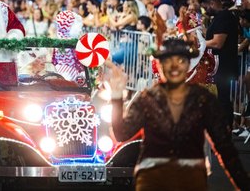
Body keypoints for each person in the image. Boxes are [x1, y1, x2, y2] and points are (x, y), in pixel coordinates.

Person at [106, 38, 250, 191]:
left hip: (190, 179)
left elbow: (225, 148)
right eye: (168, 61)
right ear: (160, 65)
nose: (174, 66)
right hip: (152, 179)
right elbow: (122, 133)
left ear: (188, 64)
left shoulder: (202, 99)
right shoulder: (147, 99)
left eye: (180, 60)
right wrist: (116, 96)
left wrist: (243, 185)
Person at [200, 0, 239, 128]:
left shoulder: (224, 17)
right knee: (221, 99)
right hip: (221, 66)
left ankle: (225, 130)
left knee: (223, 99)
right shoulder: (220, 18)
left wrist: (201, 44)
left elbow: (217, 42)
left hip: (223, 66)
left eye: (206, 7)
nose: (205, 11)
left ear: (212, 3)